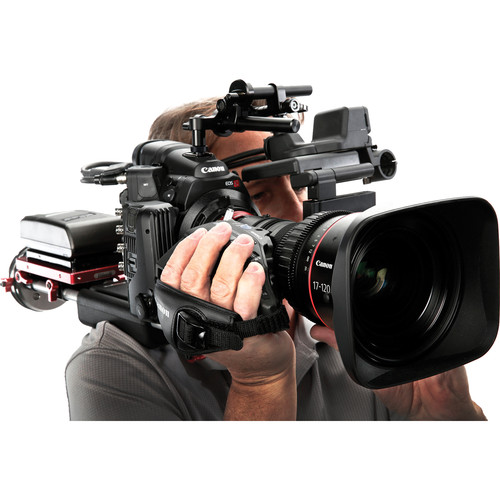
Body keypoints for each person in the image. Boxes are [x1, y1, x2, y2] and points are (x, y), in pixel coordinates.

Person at [65, 98, 486, 420]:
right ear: (179, 225)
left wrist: (440, 410)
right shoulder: (111, 366)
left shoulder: (363, 326)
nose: (296, 211)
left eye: (297, 185)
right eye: (258, 194)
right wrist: (260, 382)